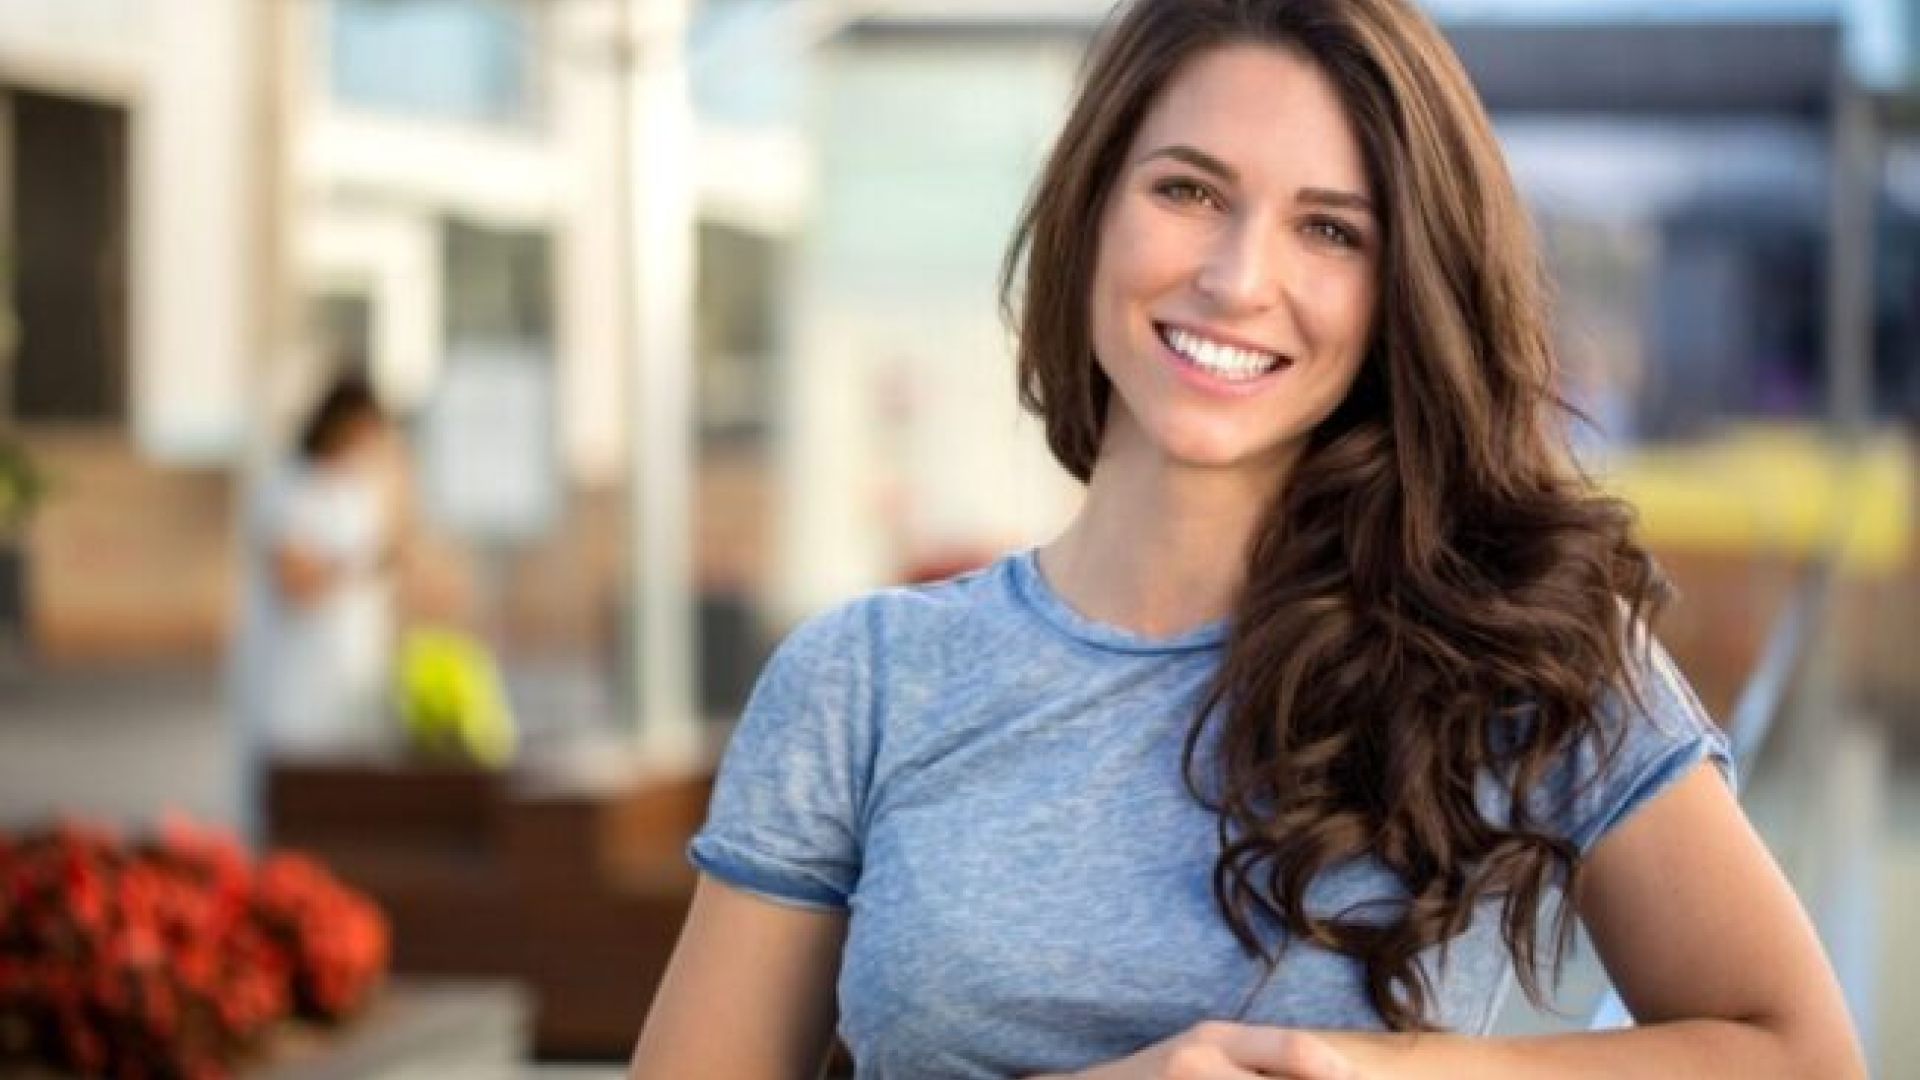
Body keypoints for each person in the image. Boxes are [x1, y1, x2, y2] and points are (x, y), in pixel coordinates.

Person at [629, 1, 1866, 1077]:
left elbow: (1797, 1053)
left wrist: (1373, 1075)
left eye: (1329, 230)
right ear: (1093, 207)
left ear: (1399, 293)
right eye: (1189, 190)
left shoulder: (1519, 642)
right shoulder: (862, 685)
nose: (1235, 277)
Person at [233, 374, 404, 773]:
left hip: (353, 674)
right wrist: (356, 565)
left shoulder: (356, 490)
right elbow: (295, 581)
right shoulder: (285, 487)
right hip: (294, 681)